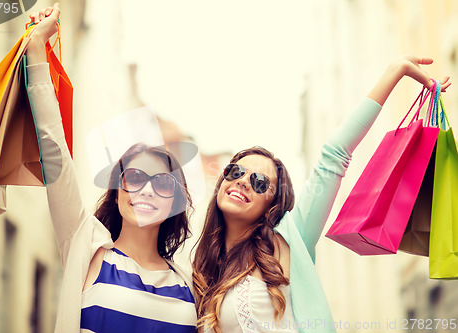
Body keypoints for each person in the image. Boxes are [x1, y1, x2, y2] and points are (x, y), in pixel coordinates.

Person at [192, 59, 451, 331]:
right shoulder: (203, 268)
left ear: (271, 206)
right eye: (236, 172)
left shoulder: (284, 245)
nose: (243, 181)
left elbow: (334, 155)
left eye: (258, 182)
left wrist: (395, 72)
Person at [25, 4, 197, 333]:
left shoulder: (191, 283)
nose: (147, 189)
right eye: (134, 178)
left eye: (162, 182)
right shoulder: (84, 247)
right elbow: (53, 149)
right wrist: (36, 49)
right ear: (117, 191)